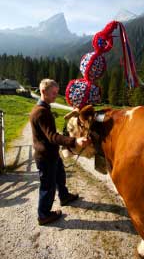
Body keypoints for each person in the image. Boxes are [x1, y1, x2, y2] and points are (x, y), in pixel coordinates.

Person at [30, 79, 89, 225]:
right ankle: (43, 216)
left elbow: (47, 130)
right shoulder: (41, 112)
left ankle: (64, 196)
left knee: (60, 175)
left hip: (51, 154)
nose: (56, 96)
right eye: (53, 93)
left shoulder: (44, 108)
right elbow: (52, 136)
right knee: (47, 186)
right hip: (45, 156)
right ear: (43, 92)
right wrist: (74, 141)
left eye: (57, 92)